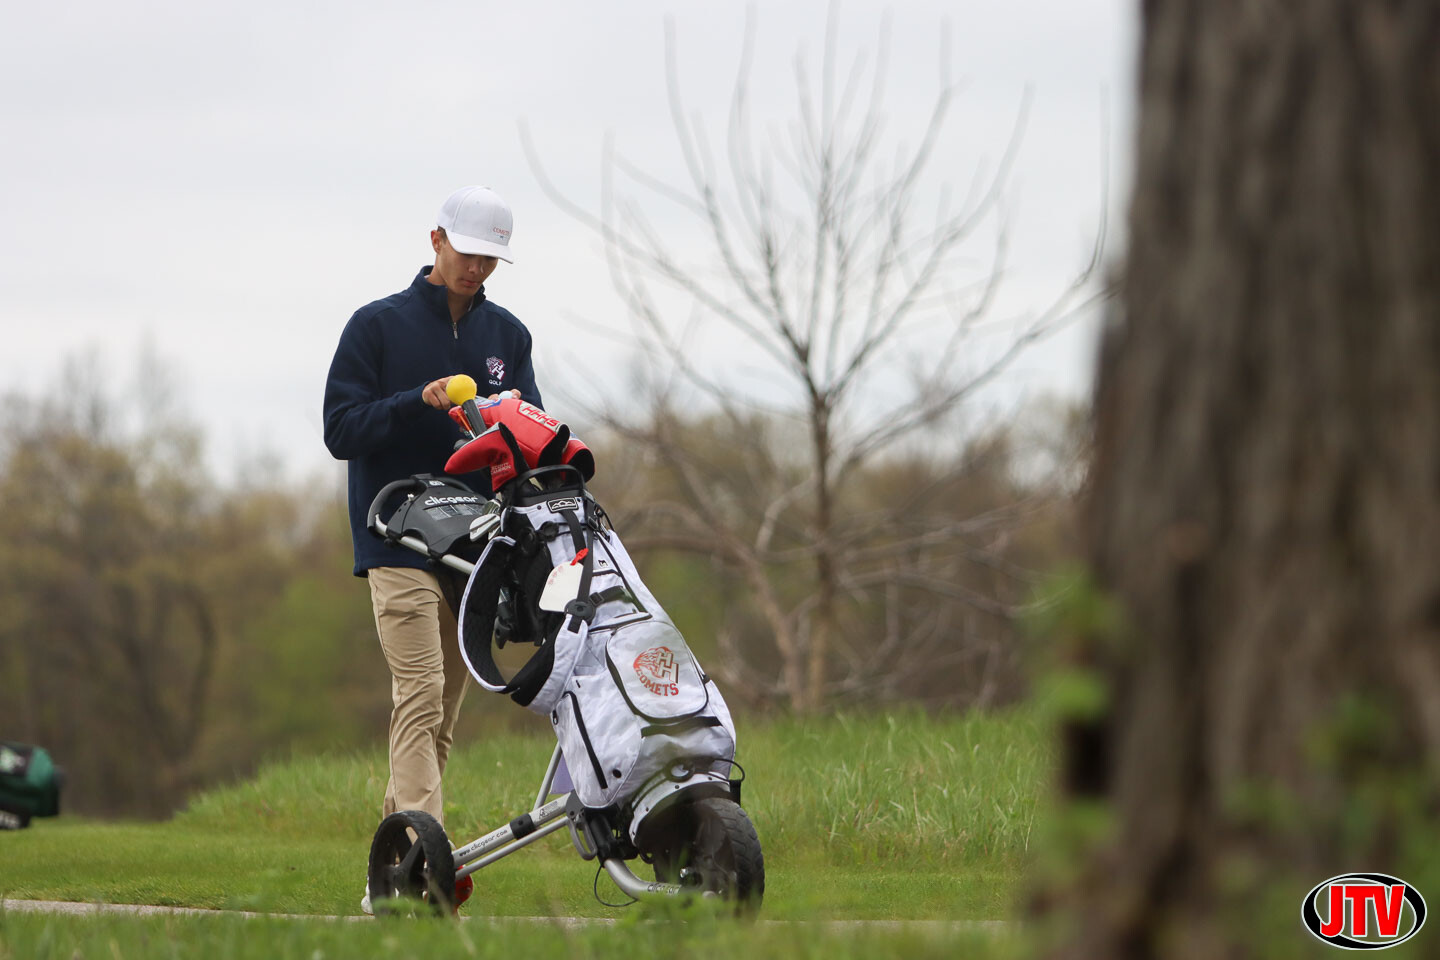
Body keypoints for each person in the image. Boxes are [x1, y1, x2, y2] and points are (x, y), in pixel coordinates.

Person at [323, 186, 542, 912]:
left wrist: (508, 432)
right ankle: (428, 874)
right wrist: (416, 401)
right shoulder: (376, 326)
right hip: (394, 538)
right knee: (418, 694)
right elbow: (340, 430)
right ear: (437, 240)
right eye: (468, 253)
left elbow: (528, 435)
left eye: (490, 259)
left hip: (473, 550)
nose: (477, 268)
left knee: (439, 718)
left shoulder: (508, 337)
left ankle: (391, 873)